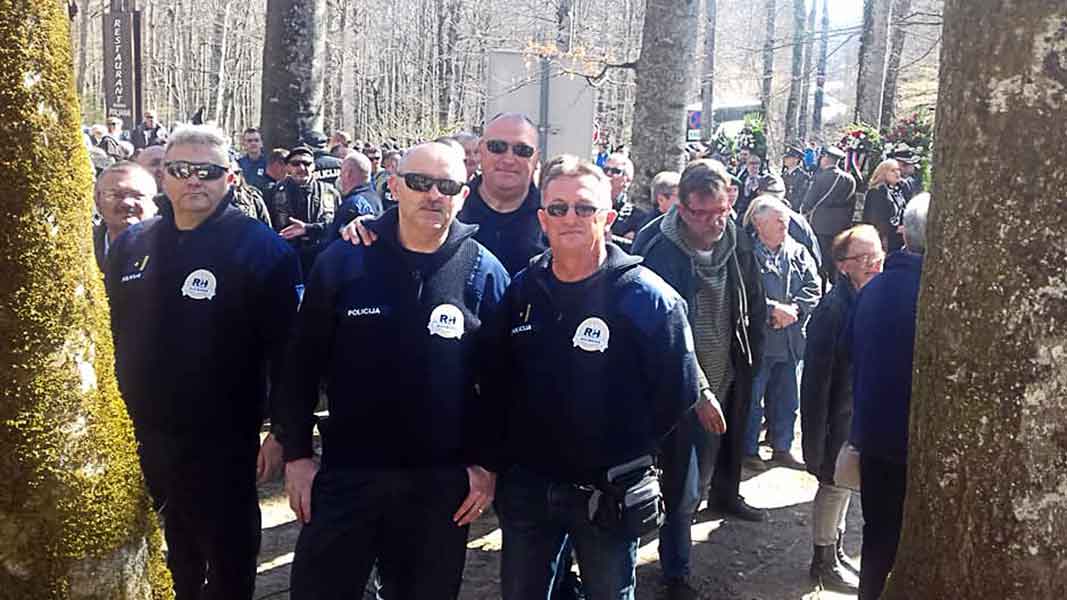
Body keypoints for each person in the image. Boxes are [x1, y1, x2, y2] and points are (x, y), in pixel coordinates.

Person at [278, 141, 508, 599]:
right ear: (395, 187)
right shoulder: (345, 260)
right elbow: (301, 363)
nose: (433, 195)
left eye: (447, 186)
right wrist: (297, 454)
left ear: (464, 194)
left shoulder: (484, 271)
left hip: (439, 483)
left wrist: (487, 466)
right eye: (420, 182)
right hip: (348, 472)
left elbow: (504, 385)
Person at [488, 155, 706, 600]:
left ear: (607, 218)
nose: (570, 217)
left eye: (584, 208)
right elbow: (498, 377)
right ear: (542, 219)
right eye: (558, 208)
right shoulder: (522, 289)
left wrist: (619, 447)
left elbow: (676, 394)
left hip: (609, 490)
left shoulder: (650, 299)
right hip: (530, 488)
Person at [105, 125, 301, 600]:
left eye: (208, 172)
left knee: (228, 553)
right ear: (164, 176)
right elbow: (109, 333)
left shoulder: (263, 249)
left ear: (230, 178)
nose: (194, 180)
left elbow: (290, 354)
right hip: (141, 432)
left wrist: (282, 433)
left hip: (224, 438)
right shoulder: (133, 244)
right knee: (167, 556)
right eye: (181, 170)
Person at [632, 158, 768, 574]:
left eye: (722, 211)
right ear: (681, 207)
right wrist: (698, 388)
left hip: (726, 373)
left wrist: (750, 361)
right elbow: (659, 332)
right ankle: (675, 570)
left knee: (703, 472)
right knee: (678, 484)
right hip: (674, 387)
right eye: (703, 214)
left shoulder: (736, 239)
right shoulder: (656, 247)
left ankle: (702, 518)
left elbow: (752, 301)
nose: (715, 222)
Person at [851, 193, 929, 600]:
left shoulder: (875, 288)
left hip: (875, 433)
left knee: (877, 534)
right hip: (909, 440)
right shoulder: (930, 294)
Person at [800, 224, 885, 593]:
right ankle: (822, 560)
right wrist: (815, 440)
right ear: (842, 265)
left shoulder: (870, 297)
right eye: (862, 257)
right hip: (836, 418)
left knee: (846, 483)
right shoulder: (833, 309)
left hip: (857, 415)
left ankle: (835, 549)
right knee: (833, 485)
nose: (872, 263)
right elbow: (816, 382)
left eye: (876, 255)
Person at [742, 197, 821, 471]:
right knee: (753, 399)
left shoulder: (798, 251)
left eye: (785, 220)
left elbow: (813, 285)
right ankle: (748, 450)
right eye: (777, 220)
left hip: (791, 340)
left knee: (787, 399)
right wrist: (772, 310)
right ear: (758, 223)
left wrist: (796, 309)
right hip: (759, 340)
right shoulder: (746, 253)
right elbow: (741, 293)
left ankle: (782, 447)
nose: (783, 225)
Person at [453, 112, 545, 275]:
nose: (508, 159)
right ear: (481, 150)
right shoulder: (451, 207)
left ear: (536, 157)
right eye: (497, 147)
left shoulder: (554, 216)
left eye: (522, 150)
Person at [269, 145, 340, 275]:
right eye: (296, 164)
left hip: (321, 259)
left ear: (313, 167)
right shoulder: (274, 192)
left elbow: (336, 226)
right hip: (286, 258)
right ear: (288, 167)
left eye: (307, 163)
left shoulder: (330, 192)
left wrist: (308, 229)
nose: (302, 168)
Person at [801, 145, 857, 284]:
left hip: (820, 226)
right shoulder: (850, 179)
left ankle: (822, 288)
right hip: (841, 227)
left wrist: (804, 211)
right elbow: (851, 205)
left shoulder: (820, 178)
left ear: (825, 158)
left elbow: (808, 202)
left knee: (820, 261)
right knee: (836, 262)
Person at [92, 162, 158, 272]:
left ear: (154, 203)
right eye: (115, 195)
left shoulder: (169, 246)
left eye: (138, 196)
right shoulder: (80, 245)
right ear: (97, 201)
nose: (127, 203)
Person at [862, 159, 912, 253]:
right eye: (892, 170)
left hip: (901, 238)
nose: (897, 173)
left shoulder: (902, 188)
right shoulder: (877, 191)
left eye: (898, 170)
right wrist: (895, 229)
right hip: (885, 239)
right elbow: (874, 219)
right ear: (883, 173)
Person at [330, 151, 382, 239]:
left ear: (348, 173)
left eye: (341, 172)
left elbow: (334, 239)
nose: (340, 176)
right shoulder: (375, 197)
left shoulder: (353, 204)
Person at [603, 153, 650, 241]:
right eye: (605, 170)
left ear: (627, 180)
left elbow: (637, 245)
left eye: (616, 171)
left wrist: (612, 238)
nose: (608, 174)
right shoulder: (591, 208)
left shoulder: (638, 217)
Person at [238, 128, 273, 195]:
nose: (253, 143)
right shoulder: (239, 164)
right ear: (244, 144)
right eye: (249, 141)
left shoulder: (270, 163)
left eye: (256, 140)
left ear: (261, 143)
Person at [782, 145, 812, 212]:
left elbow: (801, 197)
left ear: (796, 159)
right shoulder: (784, 174)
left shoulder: (803, 176)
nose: (785, 159)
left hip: (793, 211)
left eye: (788, 158)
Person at [735, 154, 764, 221]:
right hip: (742, 211)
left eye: (756, 168)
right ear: (747, 167)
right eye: (752, 168)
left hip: (756, 211)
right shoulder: (742, 179)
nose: (754, 170)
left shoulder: (762, 181)